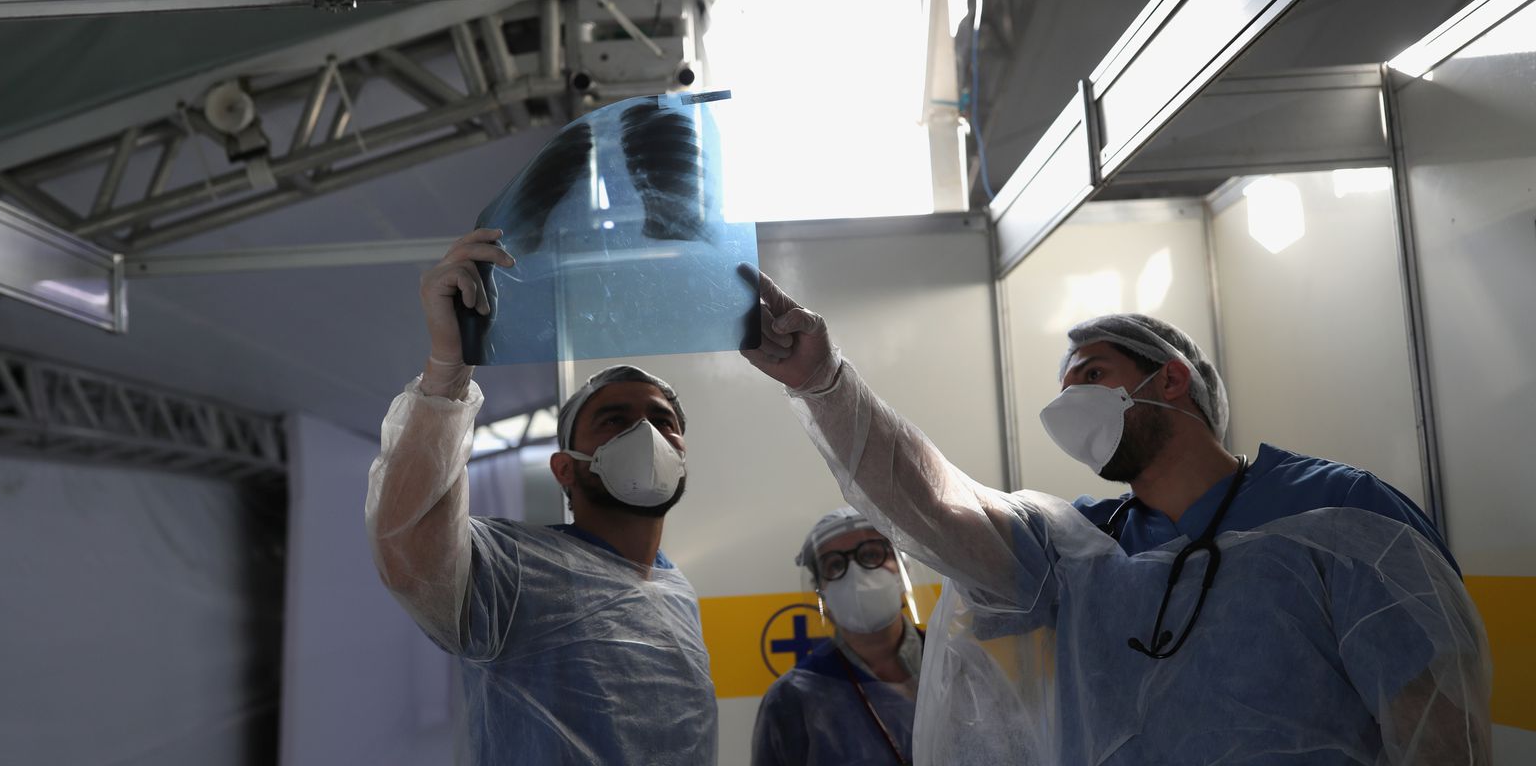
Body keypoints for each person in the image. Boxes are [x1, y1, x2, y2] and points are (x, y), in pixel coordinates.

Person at [737, 264, 1491, 765]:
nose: (1072, 405)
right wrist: (823, 383)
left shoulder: (1341, 514)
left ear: (1171, 379)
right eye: (1063, 391)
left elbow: (1436, 730)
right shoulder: (1078, 551)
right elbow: (928, 499)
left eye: (1092, 375)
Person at [365, 228, 716, 765]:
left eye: (662, 420)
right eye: (614, 420)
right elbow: (410, 543)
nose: (646, 434)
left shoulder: (676, 591)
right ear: (564, 468)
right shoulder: (513, 572)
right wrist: (448, 369)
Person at [752, 507, 922, 766]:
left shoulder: (956, 666)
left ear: (902, 568)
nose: (855, 575)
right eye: (835, 565)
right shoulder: (792, 699)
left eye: (871, 554)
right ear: (821, 592)